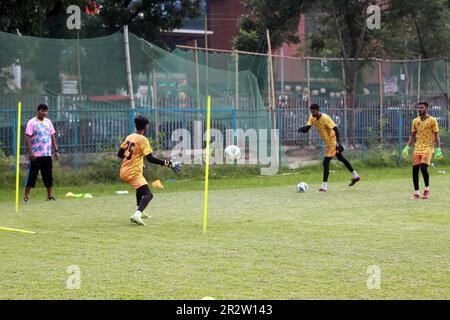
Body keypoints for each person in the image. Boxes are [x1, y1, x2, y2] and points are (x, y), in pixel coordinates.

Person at [118, 115, 182, 226]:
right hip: (132, 173)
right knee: (148, 195)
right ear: (145, 127)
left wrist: (137, 161)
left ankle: (140, 210)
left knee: (140, 187)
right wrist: (167, 163)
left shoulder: (129, 137)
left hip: (124, 170)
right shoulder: (143, 139)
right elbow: (150, 158)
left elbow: (120, 154)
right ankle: (137, 215)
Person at [298, 103, 361, 192]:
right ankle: (356, 176)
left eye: (314, 112)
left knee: (325, 163)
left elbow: (336, 129)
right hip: (328, 143)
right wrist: (300, 129)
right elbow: (306, 129)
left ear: (318, 110)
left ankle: (323, 187)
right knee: (341, 158)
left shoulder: (325, 118)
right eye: (311, 112)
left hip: (332, 141)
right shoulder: (312, 118)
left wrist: (338, 143)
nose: (313, 114)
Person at [402, 101, 443, 200]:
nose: (419, 109)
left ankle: (427, 189)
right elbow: (412, 136)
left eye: (422, 108)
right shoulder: (415, 121)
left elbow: (437, 135)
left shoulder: (432, 120)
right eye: (418, 108)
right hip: (417, 148)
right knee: (415, 170)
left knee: (423, 168)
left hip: (428, 147)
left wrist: (438, 149)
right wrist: (407, 147)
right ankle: (416, 193)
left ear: (426, 109)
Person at [24, 104, 60, 202]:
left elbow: (52, 136)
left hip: (47, 154)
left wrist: (56, 150)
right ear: (38, 111)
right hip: (36, 155)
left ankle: (50, 195)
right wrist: (30, 152)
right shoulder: (31, 122)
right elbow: (27, 137)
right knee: (32, 175)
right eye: (42, 111)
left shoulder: (48, 122)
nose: (44, 113)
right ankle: (26, 196)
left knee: (48, 176)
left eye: (46, 111)